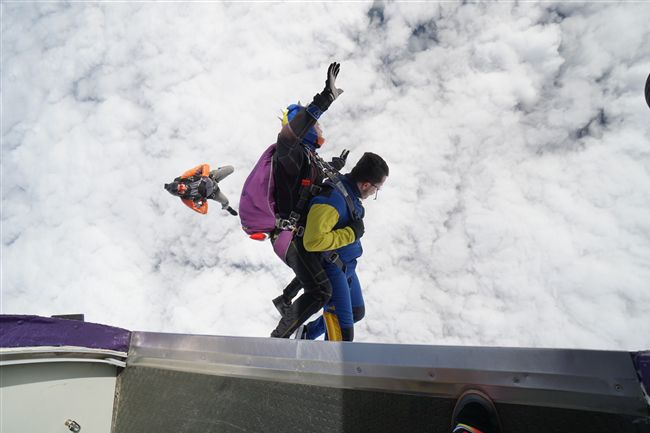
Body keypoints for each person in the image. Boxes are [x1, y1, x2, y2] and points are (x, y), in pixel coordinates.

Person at [268, 62, 349, 338]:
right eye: (315, 123)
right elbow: (289, 135)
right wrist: (324, 99)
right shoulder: (289, 151)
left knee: (329, 265)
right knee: (321, 291)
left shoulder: (308, 159)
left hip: (299, 237)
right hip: (289, 236)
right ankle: (278, 340)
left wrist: (335, 166)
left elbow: (315, 185)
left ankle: (285, 298)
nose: (319, 127)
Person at [292, 152, 389, 342]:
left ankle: (306, 334)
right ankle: (324, 360)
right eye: (376, 188)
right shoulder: (332, 200)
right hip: (333, 269)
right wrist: (351, 233)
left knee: (356, 311)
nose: (374, 193)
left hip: (347, 267)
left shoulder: (349, 194)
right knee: (342, 337)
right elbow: (312, 241)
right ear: (366, 185)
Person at [164, 163, 238, 215]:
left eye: (180, 185)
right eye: (180, 190)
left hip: (212, 177)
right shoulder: (187, 200)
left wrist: (205, 176)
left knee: (231, 168)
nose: (183, 187)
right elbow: (203, 211)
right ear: (179, 194)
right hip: (214, 193)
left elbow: (204, 165)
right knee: (225, 201)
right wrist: (204, 201)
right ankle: (227, 208)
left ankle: (220, 169)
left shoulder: (185, 176)